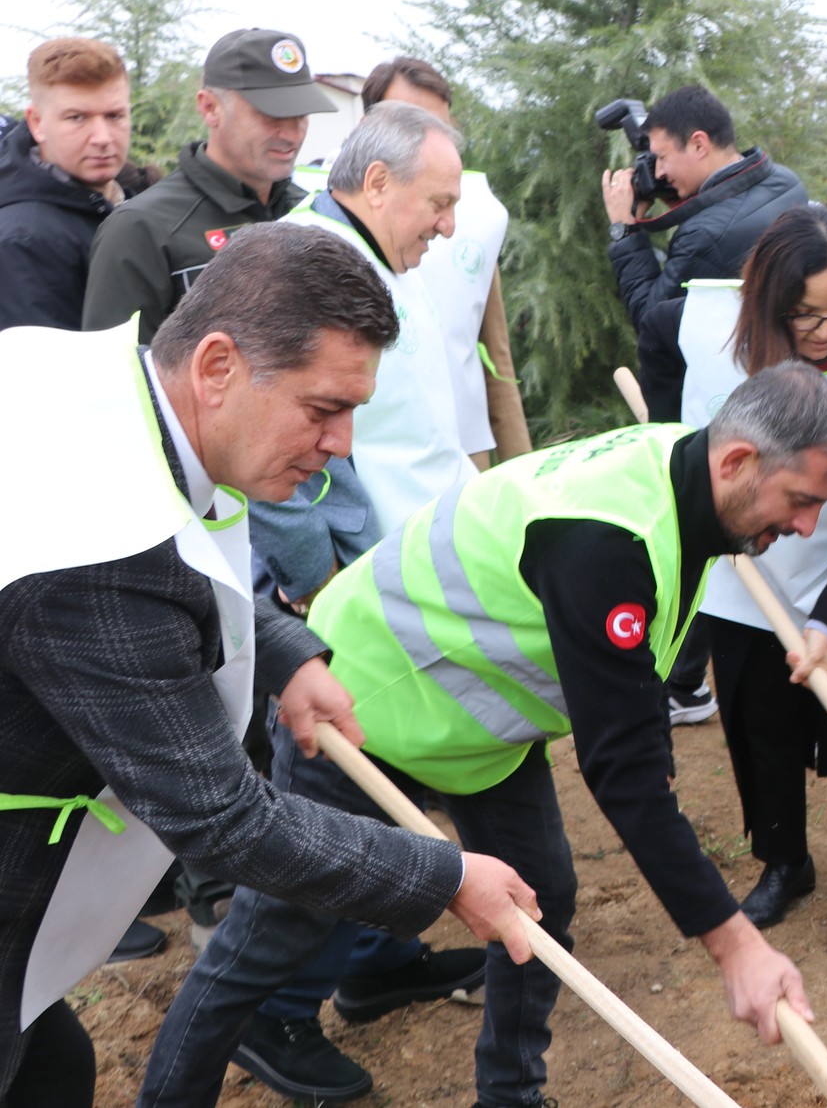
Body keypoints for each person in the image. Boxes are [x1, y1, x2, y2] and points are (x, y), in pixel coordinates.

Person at [139, 366, 827, 1108]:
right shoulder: (607, 541)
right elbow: (626, 776)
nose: (805, 527)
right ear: (736, 462)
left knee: (536, 902)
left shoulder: (685, 475)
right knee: (276, 929)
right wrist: (737, 947)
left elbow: (632, 706)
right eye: (800, 501)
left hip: (475, 722)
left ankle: (509, 1096)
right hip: (363, 696)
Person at [0, 224, 536, 1107]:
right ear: (215, 365)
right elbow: (224, 820)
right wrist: (444, 874)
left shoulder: (99, 387)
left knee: (53, 1065)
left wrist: (280, 652)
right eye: (323, 408)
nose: (343, 443)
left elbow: (179, 558)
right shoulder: (101, 558)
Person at [229, 101, 487, 1102]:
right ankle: (276, 1010)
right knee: (340, 802)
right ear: (374, 183)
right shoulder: (305, 261)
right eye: (438, 202)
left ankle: (376, 960)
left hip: (402, 570)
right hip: (346, 591)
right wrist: (306, 589)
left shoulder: (371, 259)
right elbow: (300, 449)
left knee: (400, 784)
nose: (449, 225)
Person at [637, 209, 827, 980]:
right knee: (759, 729)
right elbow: (653, 332)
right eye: (804, 312)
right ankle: (784, 861)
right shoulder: (718, 339)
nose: (822, 328)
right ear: (770, 299)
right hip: (748, 574)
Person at [82, 28, 335, 340]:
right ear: (209, 108)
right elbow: (120, 375)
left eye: (301, 114)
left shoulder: (313, 211)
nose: (292, 134)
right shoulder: (142, 228)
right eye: (271, 114)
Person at [360, 56, 531, 469]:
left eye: (440, 130)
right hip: (373, 454)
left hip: (464, 450)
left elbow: (494, 351)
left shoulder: (475, 218)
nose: (427, 142)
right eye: (409, 125)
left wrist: (519, 460)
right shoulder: (325, 216)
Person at [605, 83, 810, 330]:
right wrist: (691, 201)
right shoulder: (785, 180)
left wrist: (624, 229)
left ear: (699, 145)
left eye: (662, 157)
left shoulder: (703, 237)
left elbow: (651, 322)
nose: (658, 172)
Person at [0, 37, 144, 331]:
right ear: (37, 123)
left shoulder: (131, 203)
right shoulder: (23, 238)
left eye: (114, 115)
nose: (102, 137)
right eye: (77, 118)